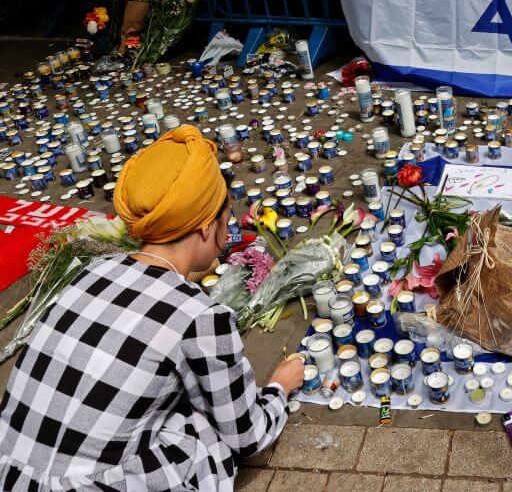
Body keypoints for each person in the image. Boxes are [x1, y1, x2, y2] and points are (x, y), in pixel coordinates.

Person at [0, 125, 303, 490]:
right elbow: (248, 434)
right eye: (225, 224)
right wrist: (279, 388)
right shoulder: (200, 316)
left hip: (10, 473)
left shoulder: (92, 271)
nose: (226, 239)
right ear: (207, 228)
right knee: (204, 427)